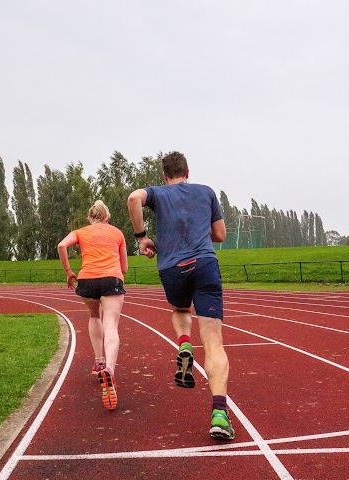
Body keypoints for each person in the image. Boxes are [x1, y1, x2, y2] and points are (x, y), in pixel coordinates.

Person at [127, 151, 234, 440]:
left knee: (181, 310)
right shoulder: (206, 192)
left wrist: (142, 238)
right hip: (205, 264)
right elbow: (221, 234)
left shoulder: (158, 194)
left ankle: (184, 344)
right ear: (188, 171)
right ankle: (220, 414)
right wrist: (198, 231)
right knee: (213, 342)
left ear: (164, 175)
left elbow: (133, 199)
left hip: (173, 267)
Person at [58, 200, 128, 411]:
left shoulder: (81, 232)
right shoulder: (117, 233)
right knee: (111, 326)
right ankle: (110, 371)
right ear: (107, 217)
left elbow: (61, 245)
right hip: (111, 279)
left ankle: (99, 361)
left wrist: (69, 271)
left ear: (90, 217)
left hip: (87, 279)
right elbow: (124, 267)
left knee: (94, 316)